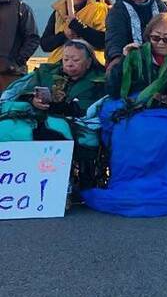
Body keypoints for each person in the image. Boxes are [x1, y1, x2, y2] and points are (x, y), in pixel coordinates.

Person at [83, 13, 167, 217]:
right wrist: (124, 60)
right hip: (140, 111)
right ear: (148, 37)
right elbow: (113, 89)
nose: (161, 43)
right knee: (129, 131)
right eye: (156, 38)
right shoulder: (137, 56)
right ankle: (132, 183)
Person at [0, 39, 105, 190]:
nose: (69, 63)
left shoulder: (100, 80)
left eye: (76, 60)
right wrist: (33, 100)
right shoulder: (46, 72)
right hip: (37, 115)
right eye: (66, 59)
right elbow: (23, 91)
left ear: (89, 62)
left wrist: (65, 106)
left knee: (53, 130)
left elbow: (93, 108)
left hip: (73, 122)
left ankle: (59, 186)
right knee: (7, 127)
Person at [105, 0, 167, 70]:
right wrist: (116, 57)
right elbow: (114, 36)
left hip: (160, 61)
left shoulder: (160, 6)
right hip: (129, 61)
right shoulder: (118, 10)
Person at [41, 0, 108, 65]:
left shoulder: (99, 9)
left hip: (91, 65)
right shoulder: (58, 12)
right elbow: (45, 45)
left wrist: (78, 27)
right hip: (58, 65)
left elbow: (103, 42)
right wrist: (64, 35)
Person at [0, 0, 40, 93]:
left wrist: (16, 62)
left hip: (11, 75)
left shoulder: (20, 7)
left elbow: (32, 38)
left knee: (10, 110)